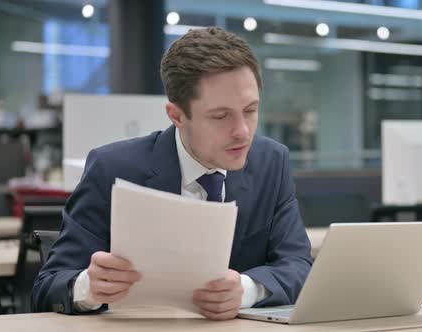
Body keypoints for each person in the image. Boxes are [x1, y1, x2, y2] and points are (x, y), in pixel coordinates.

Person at [32, 27, 313, 320]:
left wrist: (247, 289)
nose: (242, 131)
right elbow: (46, 288)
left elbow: (298, 266)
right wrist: (88, 288)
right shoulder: (112, 169)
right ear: (176, 115)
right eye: (221, 116)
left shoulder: (271, 162)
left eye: (251, 110)